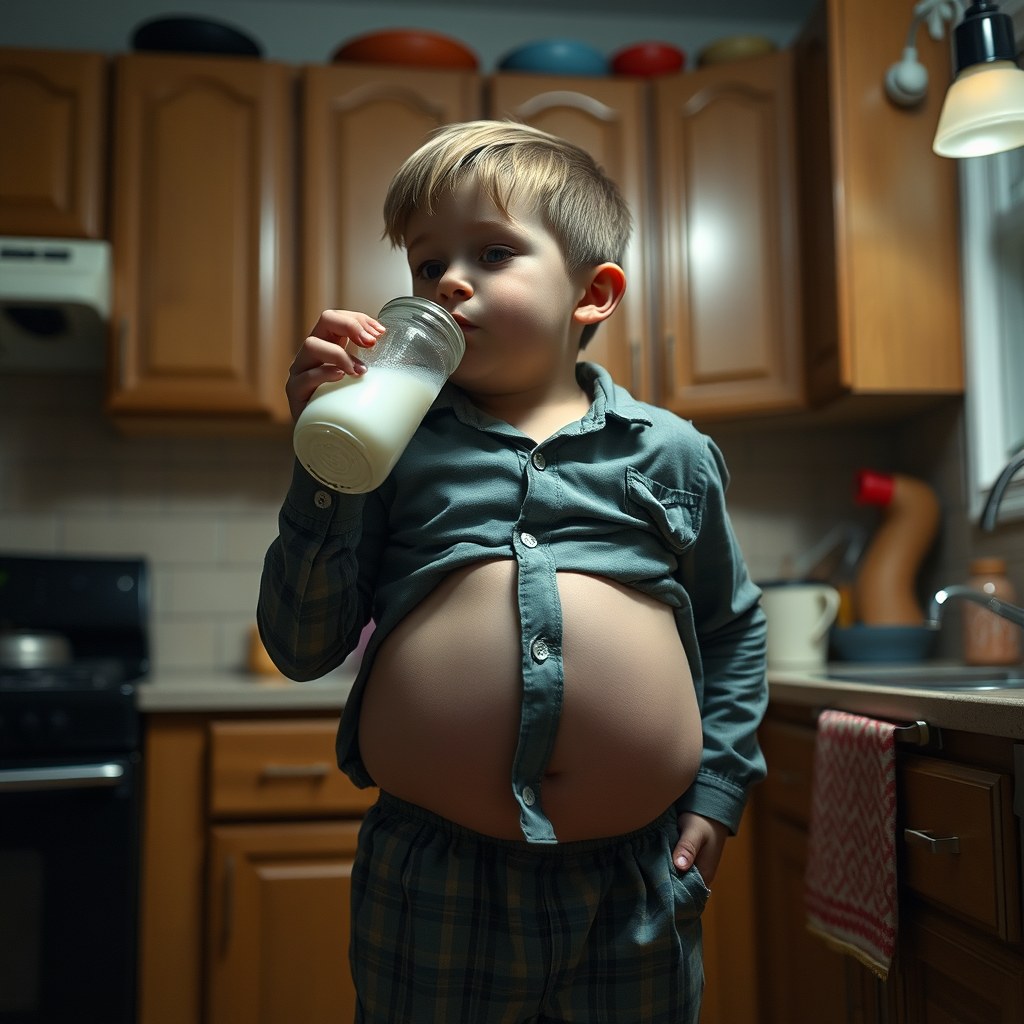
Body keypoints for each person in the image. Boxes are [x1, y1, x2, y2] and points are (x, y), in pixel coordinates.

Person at [259, 120, 767, 1024]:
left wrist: (719, 794)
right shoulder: (388, 445)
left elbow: (731, 631)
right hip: (435, 882)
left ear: (593, 293)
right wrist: (326, 461)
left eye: (494, 252)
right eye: (426, 264)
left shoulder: (675, 454)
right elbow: (302, 647)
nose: (449, 281)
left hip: (635, 884)